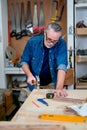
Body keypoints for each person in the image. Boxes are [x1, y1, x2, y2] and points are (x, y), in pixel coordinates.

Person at [20, 22, 68, 97]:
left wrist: (59, 88)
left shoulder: (61, 44)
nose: (51, 43)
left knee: (51, 106)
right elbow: (24, 61)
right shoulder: (32, 42)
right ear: (45, 33)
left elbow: (62, 65)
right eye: (49, 39)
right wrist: (29, 75)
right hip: (34, 84)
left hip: (51, 84)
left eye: (55, 41)